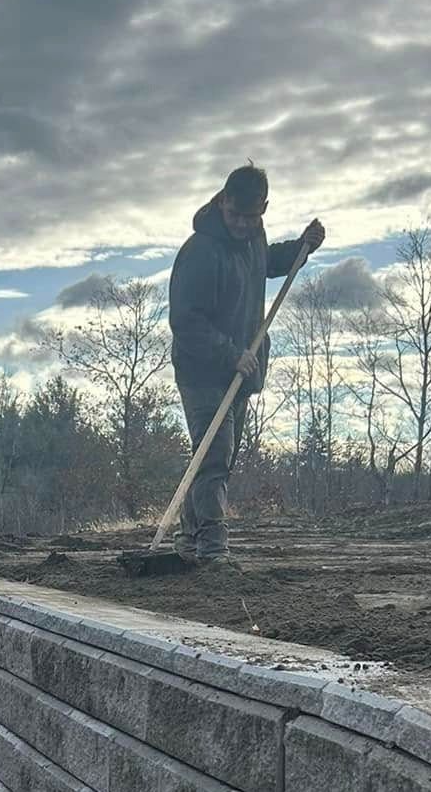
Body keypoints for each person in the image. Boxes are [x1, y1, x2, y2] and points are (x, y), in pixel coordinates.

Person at [168, 163, 324, 565]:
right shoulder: (200, 251)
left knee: (215, 456)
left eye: (249, 216)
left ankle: (187, 541)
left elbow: (266, 264)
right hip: (202, 370)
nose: (240, 223)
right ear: (222, 201)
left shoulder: (254, 239)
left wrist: (302, 249)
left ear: (263, 209)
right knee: (214, 453)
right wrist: (230, 353)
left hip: (242, 369)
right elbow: (185, 321)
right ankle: (212, 549)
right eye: (233, 214)